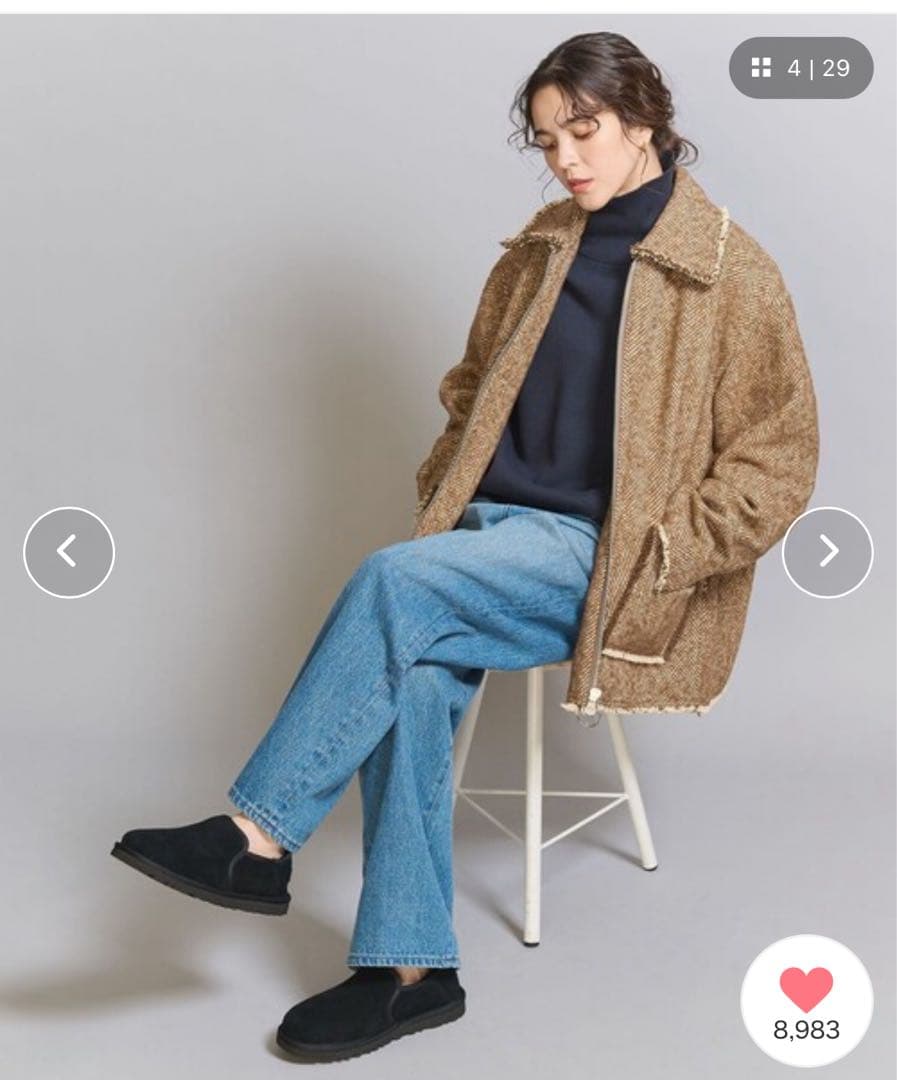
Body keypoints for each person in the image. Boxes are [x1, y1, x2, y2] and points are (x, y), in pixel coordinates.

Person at [110, 30, 819, 1064]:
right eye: (546, 140)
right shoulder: (542, 248)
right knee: (415, 670)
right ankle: (411, 973)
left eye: (583, 131)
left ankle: (256, 838)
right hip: (488, 540)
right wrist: (449, 477)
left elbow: (778, 461)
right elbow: (471, 385)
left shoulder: (729, 272)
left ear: (644, 121)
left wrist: (665, 550)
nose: (565, 158)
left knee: (392, 583)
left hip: (604, 557)